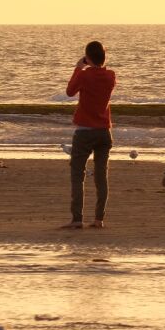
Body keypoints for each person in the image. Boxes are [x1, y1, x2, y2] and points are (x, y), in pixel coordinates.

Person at [64, 40, 117, 228]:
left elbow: (70, 91)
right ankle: (98, 218)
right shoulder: (110, 76)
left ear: (88, 57)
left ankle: (77, 219)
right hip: (104, 130)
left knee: (78, 174)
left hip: (85, 130)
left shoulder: (85, 76)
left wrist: (78, 68)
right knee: (101, 176)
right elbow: (101, 77)